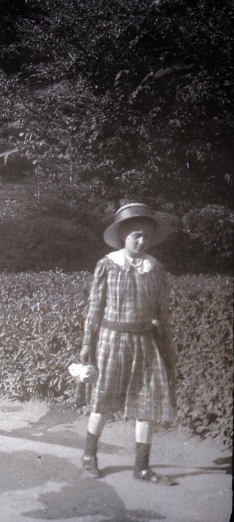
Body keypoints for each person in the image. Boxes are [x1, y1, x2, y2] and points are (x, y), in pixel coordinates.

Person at [79, 203, 178, 486]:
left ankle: (142, 467)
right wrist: (87, 344)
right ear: (123, 235)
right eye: (136, 235)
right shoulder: (107, 265)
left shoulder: (155, 268)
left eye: (146, 236)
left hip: (145, 341)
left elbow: (162, 312)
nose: (142, 241)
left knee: (148, 403)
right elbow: (95, 307)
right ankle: (89, 455)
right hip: (112, 340)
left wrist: (168, 347)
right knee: (103, 400)